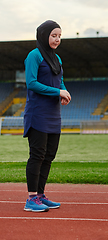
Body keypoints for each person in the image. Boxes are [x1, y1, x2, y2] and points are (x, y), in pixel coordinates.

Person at [23, 20, 71, 212]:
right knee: (37, 155)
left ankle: (41, 195)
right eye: (53, 35)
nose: (57, 39)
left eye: (59, 36)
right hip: (37, 114)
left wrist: (64, 92)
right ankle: (31, 198)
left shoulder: (57, 59)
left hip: (53, 114)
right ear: (44, 35)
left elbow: (60, 81)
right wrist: (57, 92)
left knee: (49, 156)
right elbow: (31, 83)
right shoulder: (34, 56)